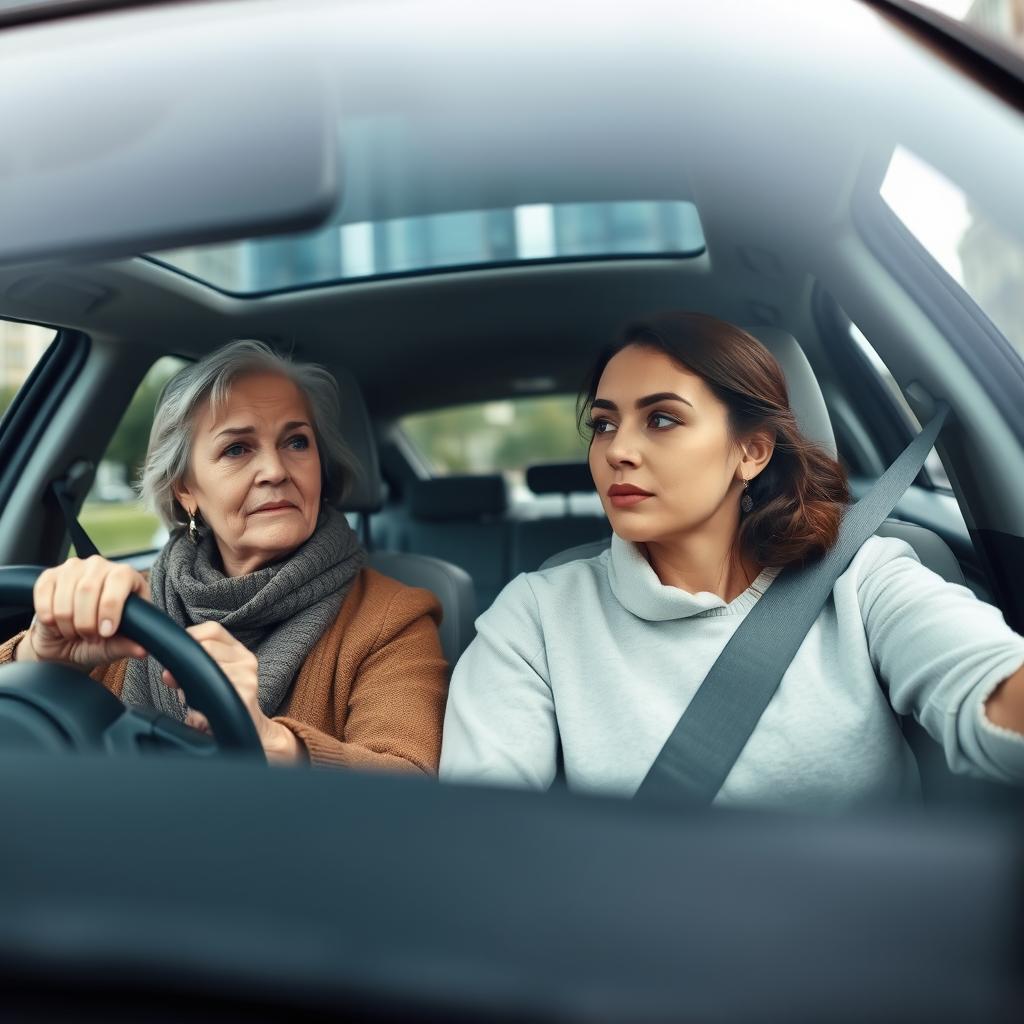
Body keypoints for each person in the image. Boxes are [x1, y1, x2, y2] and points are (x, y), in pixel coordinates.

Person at [439, 313, 1024, 808]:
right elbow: (481, 825)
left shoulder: (862, 575)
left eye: (661, 418)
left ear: (751, 452)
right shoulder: (536, 613)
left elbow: (987, 680)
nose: (616, 450)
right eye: (603, 423)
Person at [0, 340, 448, 770]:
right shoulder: (118, 603)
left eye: (296, 442)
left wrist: (274, 743)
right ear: (186, 490)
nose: (275, 471)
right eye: (237, 449)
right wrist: (37, 657)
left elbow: (409, 780)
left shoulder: (394, 617)